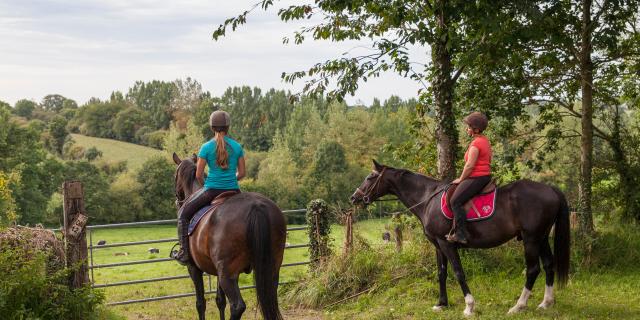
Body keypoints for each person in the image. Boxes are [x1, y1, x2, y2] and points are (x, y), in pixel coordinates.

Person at [171, 110, 246, 265]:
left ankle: (184, 253)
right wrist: (232, 179)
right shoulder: (237, 147)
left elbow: (199, 175)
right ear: (228, 127)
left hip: (212, 190)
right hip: (234, 189)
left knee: (183, 215)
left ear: (212, 127)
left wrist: (208, 185)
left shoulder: (205, 147)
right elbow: (243, 173)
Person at [446, 112, 492, 244]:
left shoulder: (476, 144)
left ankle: (461, 234)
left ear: (476, 129)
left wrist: (461, 179)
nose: (467, 129)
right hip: (484, 176)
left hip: (477, 178)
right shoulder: (484, 140)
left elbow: (470, 166)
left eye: (469, 127)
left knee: (455, 201)